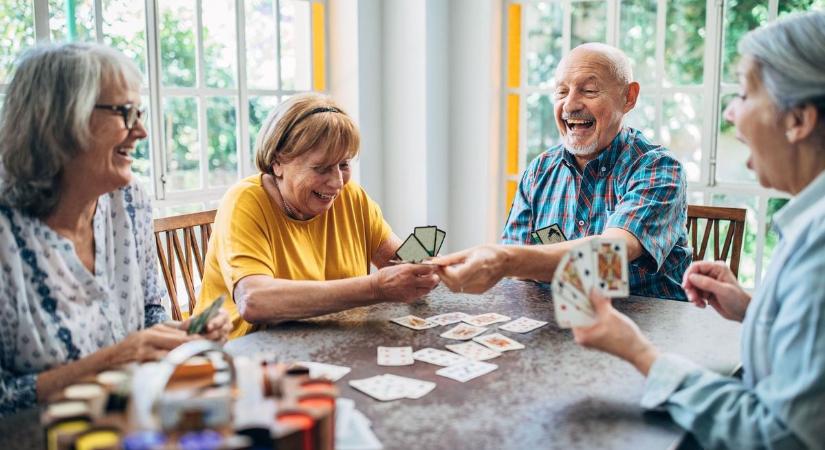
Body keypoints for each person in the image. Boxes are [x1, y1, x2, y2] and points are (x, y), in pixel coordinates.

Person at [573, 11, 825, 448]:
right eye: (563, 90)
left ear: (798, 120)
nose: (729, 112)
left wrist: (641, 354)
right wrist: (754, 309)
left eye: (745, 95)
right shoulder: (808, 223)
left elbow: (780, 437)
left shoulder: (818, 245)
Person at [0, 43, 231, 416]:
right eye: (125, 112)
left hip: (129, 425)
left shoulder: (129, 201)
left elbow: (149, 312)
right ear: (57, 121)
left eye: (138, 112)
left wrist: (177, 335)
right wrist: (115, 360)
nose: (140, 130)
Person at [436, 43, 690, 300]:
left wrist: (504, 259)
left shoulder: (658, 167)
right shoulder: (539, 171)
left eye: (589, 90)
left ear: (629, 97)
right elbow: (519, 273)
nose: (570, 104)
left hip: (645, 329)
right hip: (560, 321)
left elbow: (611, 254)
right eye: (561, 91)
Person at [194, 93, 439, 339]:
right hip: (243, 358)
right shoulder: (244, 201)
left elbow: (399, 262)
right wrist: (375, 288)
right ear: (278, 161)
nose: (336, 182)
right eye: (321, 168)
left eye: (344, 164)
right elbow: (254, 300)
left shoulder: (351, 195)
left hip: (327, 344)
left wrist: (428, 263)